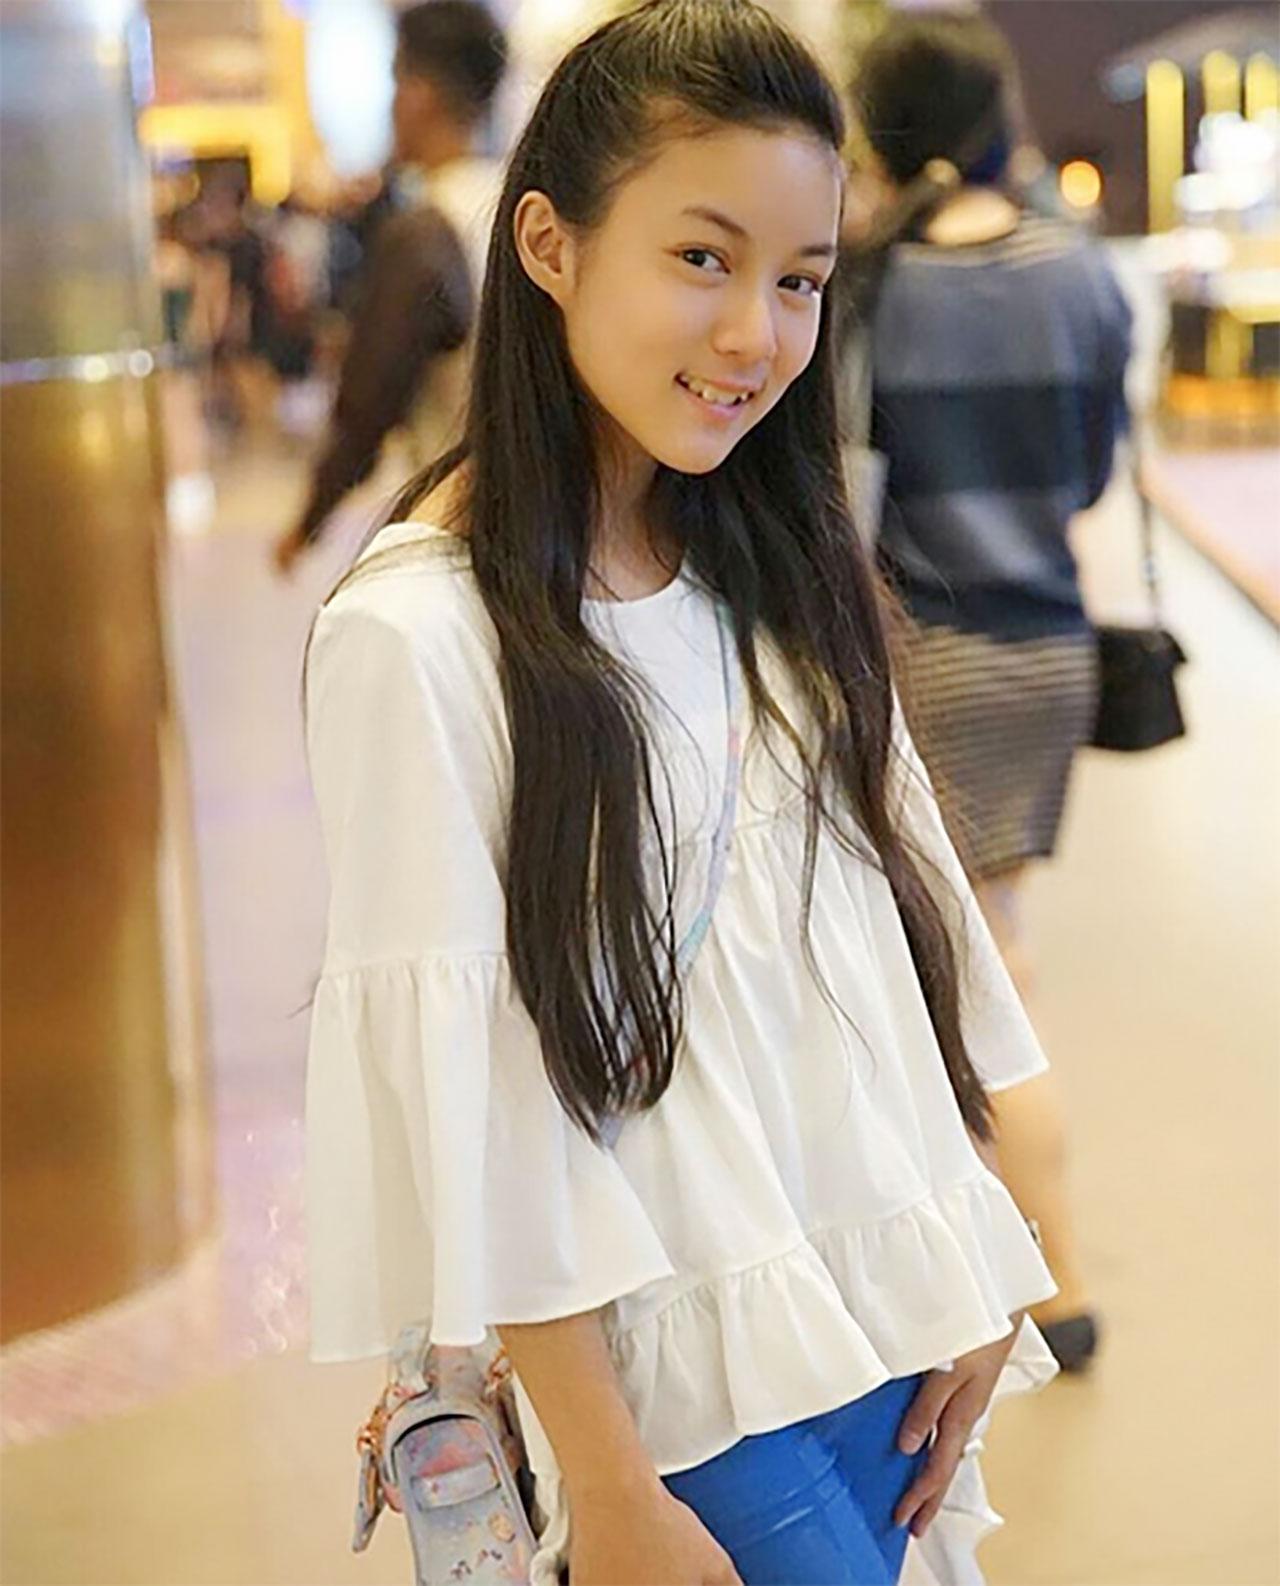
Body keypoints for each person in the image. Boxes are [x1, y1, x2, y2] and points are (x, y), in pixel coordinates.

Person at [302, 4, 1060, 1583]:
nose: (754, 337)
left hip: (881, 1298)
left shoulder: (769, 562)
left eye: (800, 280)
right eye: (703, 259)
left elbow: (887, 918)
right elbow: (481, 1093)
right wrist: (612, 1483)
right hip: (683, 1388)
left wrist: (978, 1239)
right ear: (550, 245)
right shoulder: (421, 632)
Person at [839, 8, 1134, 1373]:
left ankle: (1045, 1276)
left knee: (969, 972)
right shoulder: (1075, 270)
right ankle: (1023, 1265)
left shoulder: (872, 284)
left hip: (928, 655)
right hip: (1050, 648)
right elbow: (1091, 473)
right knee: (990, 946)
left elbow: (843, 492)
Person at [273, 0, 508, 573]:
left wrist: (308, 521)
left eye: (394, 83)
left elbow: (368, 402)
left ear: (418, 93)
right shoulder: (521, 203)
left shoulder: (424, 230)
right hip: (541, 515)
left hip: (462, 521)